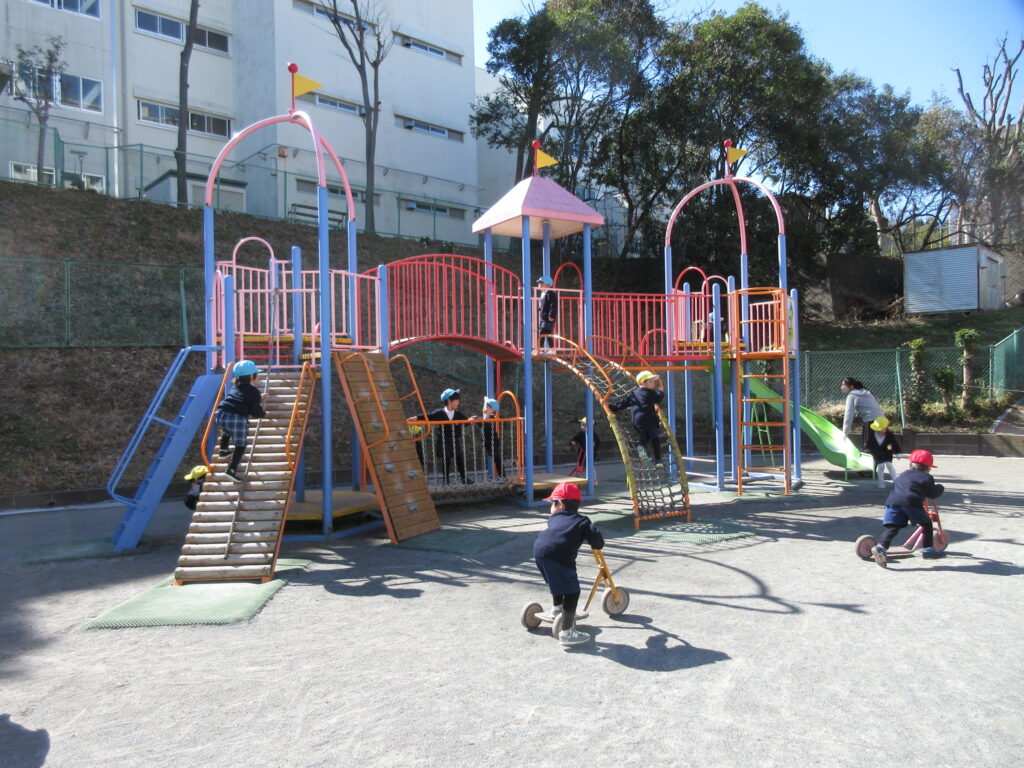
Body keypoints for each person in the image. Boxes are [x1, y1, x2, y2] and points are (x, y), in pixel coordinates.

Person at [533, 481, 605, 648]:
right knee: (573, 591)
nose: (551, 507)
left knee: (556, 582)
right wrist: (597, 543)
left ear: (560, 504)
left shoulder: (553, 519)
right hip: (560, 557)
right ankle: (566, 632)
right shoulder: (582, 522)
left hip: (539, 552)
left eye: (552, 503)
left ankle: (557, 608)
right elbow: (597, 540)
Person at [870, 449, 945, 568]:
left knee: (893, 527)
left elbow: (897, 486)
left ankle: (881, 547)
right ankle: (928, 550)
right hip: (911, 503)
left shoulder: (903, 475)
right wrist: (940, 488)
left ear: (910, 464)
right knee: (927, 524)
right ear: (928, 468)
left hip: (892, 502)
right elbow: (932, 494)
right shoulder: (927, 477)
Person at [215, 359, 266, 482]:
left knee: (227, 429)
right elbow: (255, 411)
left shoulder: (235, 387)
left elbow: (241, 399)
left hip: (221, 414)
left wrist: (259, 398)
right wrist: (262, 413)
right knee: (241, 445)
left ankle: (223, 450)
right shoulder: (254, 392)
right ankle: (231, 469)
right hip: (237, 417)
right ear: (251, 376)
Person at [411, 388, 471, 485]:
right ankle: (445, 480)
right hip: (444, 440)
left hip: (454, 439)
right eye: (456, 400)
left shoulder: (458, 414)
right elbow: (429, 416)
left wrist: (471, 420)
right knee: (446, 460)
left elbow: (466, 422)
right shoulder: (439, 412)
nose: (458, 402)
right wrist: (417, 417)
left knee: (459, 458)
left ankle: (464, 478)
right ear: (449, 401)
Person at [609, 370, 665, 468]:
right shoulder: (650, 392)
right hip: (649, 419)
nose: (654, 384)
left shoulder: (633, 393)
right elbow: (658, 399)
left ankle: (642, 453)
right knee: (655, 438)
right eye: (651, 382)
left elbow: (623, 404)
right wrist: (661, 391)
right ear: (642, 383)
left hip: (637, 421)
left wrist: (611, 406)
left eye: (654, 382)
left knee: (644, 437)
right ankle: (658, 460)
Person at [841, 376, 885, 444]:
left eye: (844, 385)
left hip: (871, 421)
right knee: (881, 445)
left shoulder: (852, 396)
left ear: (851, 386)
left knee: (868, 446)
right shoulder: (867, 392)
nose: (842, 387)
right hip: (883, 420)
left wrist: (845, 433)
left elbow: (848, 415)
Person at [863, 416, 900, 489]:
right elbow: (869, 443)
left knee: (889, 465)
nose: (881, 431)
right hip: (877, 453)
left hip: (887, 453)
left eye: (883, 429)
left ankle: (896, 481)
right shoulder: (872, 434)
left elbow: (894, 444)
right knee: (881, 466)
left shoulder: (889, 435)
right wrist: (866, 448)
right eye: (878, 429)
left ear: (885, 428)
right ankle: (881, 483)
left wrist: (897, 452)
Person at [471, 397, 503, 479]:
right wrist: (478, 420)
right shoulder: (486, 418)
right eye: (484, 406)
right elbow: (483, 425)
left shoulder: (491, 418)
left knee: (497, 459)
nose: (484, 408)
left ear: (492, 410)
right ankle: (499, 475)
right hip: (488, 442)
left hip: (493, 442)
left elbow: (486, 426)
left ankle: (502, 475)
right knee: (495, 458)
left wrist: (479, 420)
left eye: (486, 407)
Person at [537, 275, 557, 350]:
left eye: (542, 283)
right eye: (539, 283)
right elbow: (543, 305)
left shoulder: (550, 293)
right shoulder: (543, 293)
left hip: (548, 318)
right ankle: (542, 349)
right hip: (544, 317)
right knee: (544, 333)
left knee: (545, 332)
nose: (540, 285)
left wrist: (551, 315)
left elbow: (553, 305)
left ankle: (542, 349)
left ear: (548, 285)